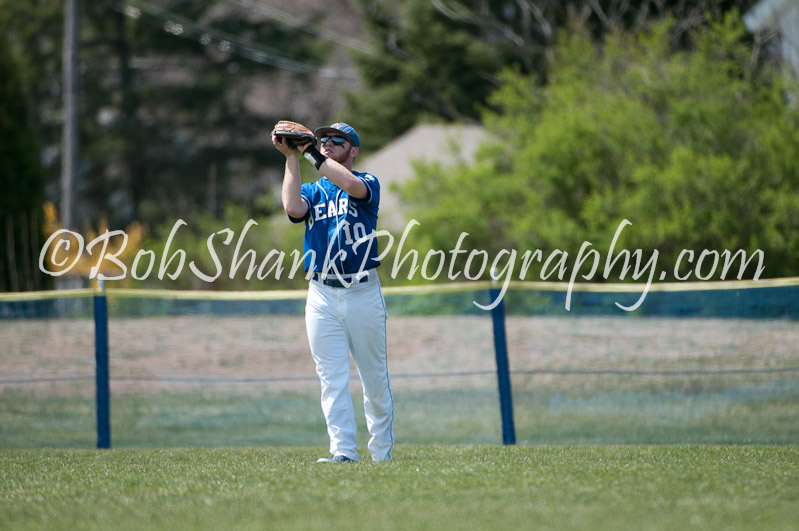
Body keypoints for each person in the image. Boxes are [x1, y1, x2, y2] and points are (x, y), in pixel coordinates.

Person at [271, 121, 394, 463]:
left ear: (353, 151)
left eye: (337, 141)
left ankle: (382, 455)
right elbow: (293, 208)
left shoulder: (367, 183)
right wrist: (291, 157)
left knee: (374, 380)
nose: (327, 143)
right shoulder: (314, 191)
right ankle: (343, 452)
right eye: (324, 139)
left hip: (362, 291)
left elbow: (350, 183)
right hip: (321, 294)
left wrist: (309, 151)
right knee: (332, 379)